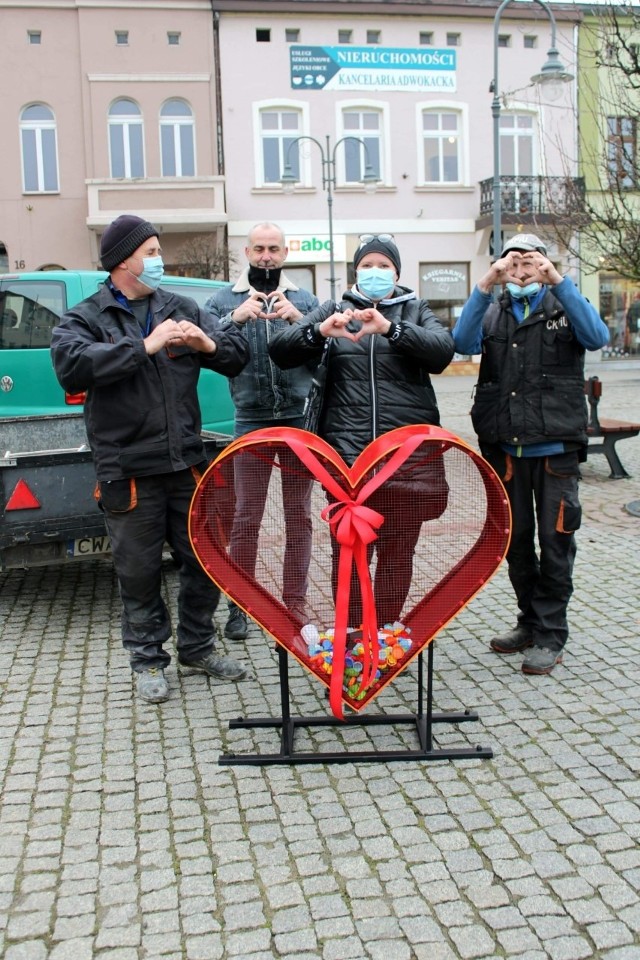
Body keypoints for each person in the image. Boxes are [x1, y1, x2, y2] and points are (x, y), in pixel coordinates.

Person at [50, 214, 250, 704]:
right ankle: (147, 660)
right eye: (152, 252)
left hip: (185, 463)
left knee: (203, 559)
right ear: (124, 261)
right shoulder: (85, 317)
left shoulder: (180, 306)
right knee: (138, 571)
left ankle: (198, 647)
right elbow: (71, 367)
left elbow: (236, 354)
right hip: (128, 471)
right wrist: (144, 346)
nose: (159, 260)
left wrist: (208, 343)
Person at [268, 233, 454, 626]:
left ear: (397, 272)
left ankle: (384, 634)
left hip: (406, 460)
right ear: (355, 272)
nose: (375, 272)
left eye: (383, 266)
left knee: (398, 552)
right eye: (367, 265)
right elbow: (281, 350)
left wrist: (391, 329)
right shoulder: (333, 309)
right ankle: (353, 635)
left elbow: (442, 352)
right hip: (347, 462)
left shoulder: (415, 309)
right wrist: (319, 332)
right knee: (349, 555)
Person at [453, 233, 609, 676]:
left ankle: (550, 633)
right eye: (512, 263)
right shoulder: (493, 310)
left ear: (544, 266)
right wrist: (485, 283)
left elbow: (596, 337)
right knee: (515, 541)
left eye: (530, 262)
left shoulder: (563, 304)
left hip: (556, 447)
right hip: (505, 448)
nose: (521, 270)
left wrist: (558, 280)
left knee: (556, 542)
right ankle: (529, 621)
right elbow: (461, 342)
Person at [205, 222, 319, 640]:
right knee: (246, 516)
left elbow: (331, 350)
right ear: (246, 252)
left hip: (296, 419)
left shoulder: (305, 298)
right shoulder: (222, 300)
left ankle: (294, 602)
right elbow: (205, 347)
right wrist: (234, 319)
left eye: (274, 248)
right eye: (259, 249)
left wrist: (302, 320)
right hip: (249, 418)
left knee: (298, 516)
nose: (266, 256)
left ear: (285, 252)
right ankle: (241, 603)